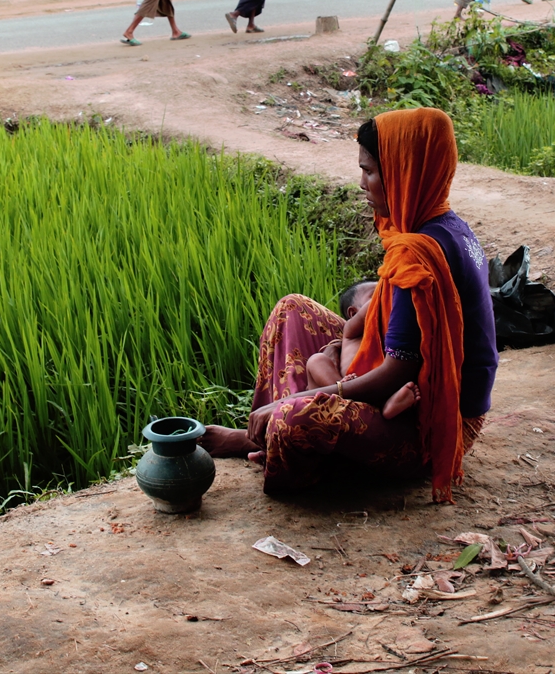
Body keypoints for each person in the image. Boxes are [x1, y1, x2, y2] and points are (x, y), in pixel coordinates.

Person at [201, 107, 499, 504]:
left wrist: (293, 400)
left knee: (300, 417)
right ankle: (267, 433)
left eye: (371, 171)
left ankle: (270, 435)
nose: (362, 183)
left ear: (404, 172)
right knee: (293, 310)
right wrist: (342, 348)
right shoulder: (440, 224)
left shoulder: (420, 252)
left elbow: (396, 376)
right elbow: (386, 319)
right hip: (404, 394)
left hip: (431, 427)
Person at [305, 281, 422, 419]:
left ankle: (386, 405)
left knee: (403, 382)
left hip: (374, 386)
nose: (387, 296)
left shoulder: (391, 334)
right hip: (345, 381)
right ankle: (341, 390)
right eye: (376, 294)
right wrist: (389, 288)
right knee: (316, 360)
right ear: (353, 313)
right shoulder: (351, 330)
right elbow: (370, 310)